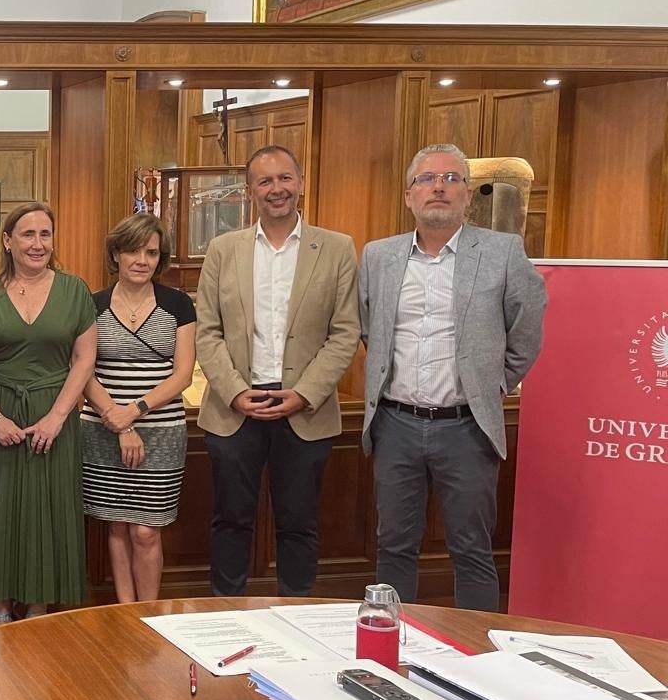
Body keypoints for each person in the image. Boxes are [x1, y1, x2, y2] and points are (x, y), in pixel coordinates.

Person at [359, 142, 547, 612]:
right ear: (409, 196)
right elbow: (368, 327)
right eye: (426, 179)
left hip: (466, 426)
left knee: (472, 549)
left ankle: (474, 660)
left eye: (451, 179)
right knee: (394, 546)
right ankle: (391, 649)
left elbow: (527, 328)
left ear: (467, 195)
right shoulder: (379, 257)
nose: (438, 187)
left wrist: (493, 382)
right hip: (396, 424)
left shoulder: (503, 252)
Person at [195, 145, 360, 598]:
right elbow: (206, 331)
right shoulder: (223, 249)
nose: (276, 189)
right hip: (235, 410)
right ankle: (223, 616)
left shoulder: (336, 248)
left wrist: (304, 393)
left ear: (301, 183)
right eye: (265, 181)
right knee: (230, 520)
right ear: (250, 191)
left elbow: (345, 333)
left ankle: (297, 618)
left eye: (285, 178)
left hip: (304, 410)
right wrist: (233, 392)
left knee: (299, 524)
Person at [0, 202, 97, 623]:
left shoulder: (75, 290)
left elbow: (84, 358)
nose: (37, 244)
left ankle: (39, 613)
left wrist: (58, 416)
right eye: (27, 234)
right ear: (7, 241)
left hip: (54, 416)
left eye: (45, 235)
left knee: (48, 513)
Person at [81, 214, 198, 603]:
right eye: (132, 250)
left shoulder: (178, 305)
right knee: (116, 526)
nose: (141, 260)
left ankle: (147, 617)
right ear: (115, 254)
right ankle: (124, 613)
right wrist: (117, 422)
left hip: (161, 430)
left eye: (151, 252)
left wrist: (135, 411)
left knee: (146, 530)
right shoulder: (91, 305)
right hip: (101, 426)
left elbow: (183, 374)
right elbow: (81, 371)